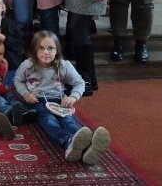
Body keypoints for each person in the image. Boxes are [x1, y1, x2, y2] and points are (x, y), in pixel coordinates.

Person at [13, 31, 111, 165]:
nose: (46, 52)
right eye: (41, 48)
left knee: (69, 121)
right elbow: (18, 80)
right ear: (34, 49)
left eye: (50, 48)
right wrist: (25, 93)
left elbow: (79, 83)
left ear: (57, 50)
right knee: (49, 120)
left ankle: (86, 145)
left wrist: (73, 97)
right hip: (37, 100)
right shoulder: (27, 65)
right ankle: (68, 141)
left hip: (60, 100)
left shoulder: (64, 66)